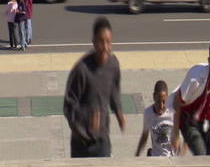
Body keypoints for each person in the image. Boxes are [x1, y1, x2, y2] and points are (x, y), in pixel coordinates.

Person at [63, 17, 125, 157]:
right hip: (81, 145)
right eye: (101, 42)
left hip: (102, 141)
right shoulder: (81, 70)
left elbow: (114, 91)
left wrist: (119, 112)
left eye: (108, 42)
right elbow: (68, 106)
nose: (105, 47)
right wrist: (86, 118)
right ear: (93, 42)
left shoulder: (113, 65)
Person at [170, 40, 210, 156]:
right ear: (209, 61)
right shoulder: (195, 77)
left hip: (207, 121)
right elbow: (177, 101)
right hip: (188, 121)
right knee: (202, 154)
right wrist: (176, 134)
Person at [135, 80, 174, 157]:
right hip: (156, 157)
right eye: (158, 101)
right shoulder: (148, 113)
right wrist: (137, 154)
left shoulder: (173, 113)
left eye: (164, 101)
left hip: (171, 157)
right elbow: (144, 136)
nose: (161, 106)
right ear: (153, 97)